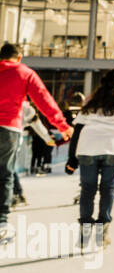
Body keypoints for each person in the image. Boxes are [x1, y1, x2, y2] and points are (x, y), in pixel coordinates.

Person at [64, 69, 114, 248]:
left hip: (88, 148)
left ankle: (85, 233)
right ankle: (102, 233)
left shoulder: (92, 102)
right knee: (108, 188)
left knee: (87, 189)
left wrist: (72, 159)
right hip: (113, 148)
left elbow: (77, 131)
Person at [0, 43, 72, 242]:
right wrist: (63, 126)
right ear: (19, 57)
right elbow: (43, 99)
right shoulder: (25, 73)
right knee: (5, 174)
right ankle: (2, 223)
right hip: (8, 129)